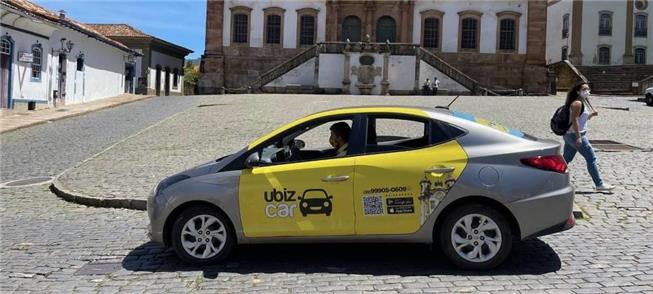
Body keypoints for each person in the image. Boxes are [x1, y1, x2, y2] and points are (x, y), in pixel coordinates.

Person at [563, 83, 614, 192]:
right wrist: (578, 137)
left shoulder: (581, 102)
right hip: (576, 135)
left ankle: (550, 180)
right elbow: (575, 120)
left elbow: (580, 120)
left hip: (569, 135)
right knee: (591, 158)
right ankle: (599, 184)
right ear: (578, 91)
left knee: (565, 160)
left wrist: (591, 115)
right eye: (584, 89)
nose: (587, 91)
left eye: (588, 88)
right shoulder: (577, 103)